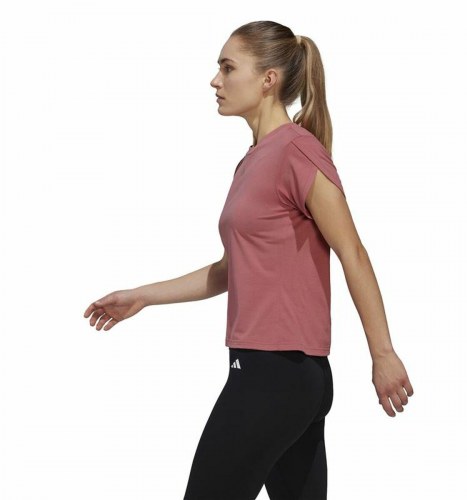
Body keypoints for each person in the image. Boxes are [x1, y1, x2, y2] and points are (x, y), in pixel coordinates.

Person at [83, 20, 414, 500]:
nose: (215, 80)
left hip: (275, 375)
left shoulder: (297, 151)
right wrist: (142, 297)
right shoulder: (254, 160)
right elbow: (230, 268)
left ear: (268, 80)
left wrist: (382, 354)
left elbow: (352, 252)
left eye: (227, 67)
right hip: (276, 374)